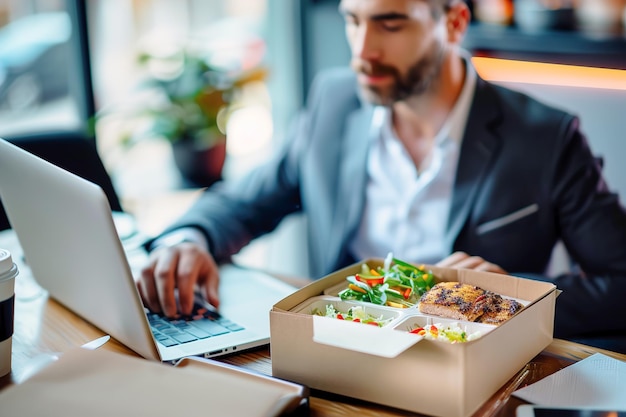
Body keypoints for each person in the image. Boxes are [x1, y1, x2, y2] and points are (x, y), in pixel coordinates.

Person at [137, 0, 626, 353]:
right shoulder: (333, 100)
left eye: (390, 24)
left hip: (464, 376)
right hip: (334, 356)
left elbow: (620, 283)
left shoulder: (547, 137)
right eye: (353, 20)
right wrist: (190, 237)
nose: (362, 51)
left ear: (453, 23)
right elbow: (247, 202)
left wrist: (516, 298)